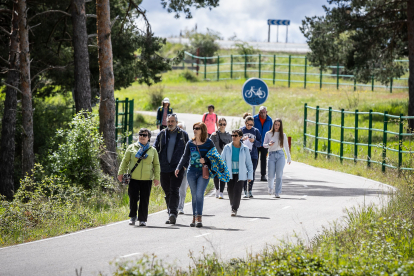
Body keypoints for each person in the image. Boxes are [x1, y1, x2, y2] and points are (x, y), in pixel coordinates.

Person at [176, 122, 229, 227]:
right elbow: (185, 156)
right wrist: (178, 167)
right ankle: (194, 217)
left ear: (203, 130)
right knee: (194, 196)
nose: (195, 130)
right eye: (194, 128)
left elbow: (215, 156)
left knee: (200, 195)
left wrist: (205, 159)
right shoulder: (190, 143)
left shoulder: (208, 143)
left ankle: (199, 217)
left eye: (197, 128)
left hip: (204, 172)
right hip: (191, 171)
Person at [117, 128, 160, 226]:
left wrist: (157, 178)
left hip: (147, 179)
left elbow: (156, 165)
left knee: (144, 199)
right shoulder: (131, 147)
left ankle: (142, 219)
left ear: (148, 138)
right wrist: (120, 173)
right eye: (140, 134)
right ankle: (133, 216)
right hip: (133, 178)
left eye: (144, 135)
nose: (142, 137)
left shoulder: (152, 150)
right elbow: (125, 161)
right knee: (133, 197)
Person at [154, 114, 189, 224]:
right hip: (163, 168)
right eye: (169, 121)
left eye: (172, 121)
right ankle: (171, 212)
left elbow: (188, 151)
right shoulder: (161, 134)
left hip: (177, 168)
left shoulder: (183, 135)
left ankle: (173, 213)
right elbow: (155, 150)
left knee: (174, 190)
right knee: (167, 191)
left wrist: (184, 165)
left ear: (176, 122)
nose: (170, 123)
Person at [221, 129, 253, 216]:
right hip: (230, 173)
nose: (233, 137)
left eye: (235, 135)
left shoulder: (245, 149)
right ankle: (233, 205)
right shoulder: (227, 147)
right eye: (232, 135)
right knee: (230, 190)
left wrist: (250, 176)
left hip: (241, 174)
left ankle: (234, 208)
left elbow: (249, 164)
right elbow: (222, 161)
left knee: (237, 190)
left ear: (240, 137)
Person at [263, 119, 291, 198]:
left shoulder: (283, 135)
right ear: (273, 125)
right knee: (271, 175)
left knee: (279, 175)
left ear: (280, 126)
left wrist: (288, 157)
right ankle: (270, 187)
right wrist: (269, 144)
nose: (277, 126)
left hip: (280, 155)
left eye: (278, 125)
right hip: (271, 155)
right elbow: (264, 144)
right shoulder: (268, 134)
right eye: (275, 124)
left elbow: (286, 146)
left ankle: (277, 192)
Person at [240, 114, 261, 198]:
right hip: (244, 155)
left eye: (251, 124)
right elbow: (236, 142)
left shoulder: (256, 131)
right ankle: (245, 190)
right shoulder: (241, 130)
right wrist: (242, 140)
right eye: (248, 124)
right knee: (244, 172)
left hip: (254, 155)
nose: (249, 126)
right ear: (245, 123)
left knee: (251, 172)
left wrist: (254, 141)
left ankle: (250, 190)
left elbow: (260, 143)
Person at [210, 118, 232, 199]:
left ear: (226, 125)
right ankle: (217, 189)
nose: (222, 126)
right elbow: (209, 145)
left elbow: (231, 147)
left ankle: (221, 192)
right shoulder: (214, 135)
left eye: (224, 124)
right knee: (216, 176)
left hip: (225, 158)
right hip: (216, 158)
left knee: (223, 175)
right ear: (218, 124)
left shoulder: (229, 135)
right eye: (221, 124)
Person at [253, 106, 273, 182]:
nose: (263, 114)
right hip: (256, 142)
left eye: (264, 112)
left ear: (266, 112)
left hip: (265, 143)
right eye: (261, 113)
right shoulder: (254, 119)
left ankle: (263, 175)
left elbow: (271, 131)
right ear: (259, 112)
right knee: (255, 159)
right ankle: (252, 174)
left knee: (263, 159)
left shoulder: (269, 120)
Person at [177, 122, 188, 214]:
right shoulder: (172, 140)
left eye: (181, 128)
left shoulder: (187, 141)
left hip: (184, 169)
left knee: (183, 189)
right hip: (173, 169)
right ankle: (172, 206)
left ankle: (180, 207)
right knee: (173, 189)